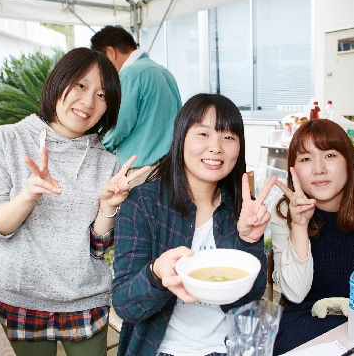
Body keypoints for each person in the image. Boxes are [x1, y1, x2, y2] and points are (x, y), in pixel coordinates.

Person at [0, 47, 150, 356]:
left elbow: (99, 248)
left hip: (86, 301)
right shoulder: (6, 140)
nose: (89, 102)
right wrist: (28, 195)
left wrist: (108, 206)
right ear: (58, 82)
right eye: (81, 85)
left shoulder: (107, 163)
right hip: (19, 299)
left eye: (102, 95)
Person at [111, 93, 278, 356]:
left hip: (229, 347)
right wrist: (155, 274)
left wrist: (249, 240)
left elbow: (250, 299)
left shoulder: (243, 208)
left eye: (228, 137)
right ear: (181, 139)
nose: (216, 147)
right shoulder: (143, 204)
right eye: (203, 134)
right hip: (163, 349)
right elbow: (125, 305)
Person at [270, 119, 354, 355]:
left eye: (330, 155)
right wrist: (299, 226)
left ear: (348, 161)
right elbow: (295, 293)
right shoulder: (283, 212)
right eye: (305, 159)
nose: (319, 169)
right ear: (293, 170)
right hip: (305, 318)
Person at [90, 25, 182, 186]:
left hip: (141, 174)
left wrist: (93, 147)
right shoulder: (164, 72)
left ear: (111, 53)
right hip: (172, 168)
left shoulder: (130, 75)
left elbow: (116, 127)